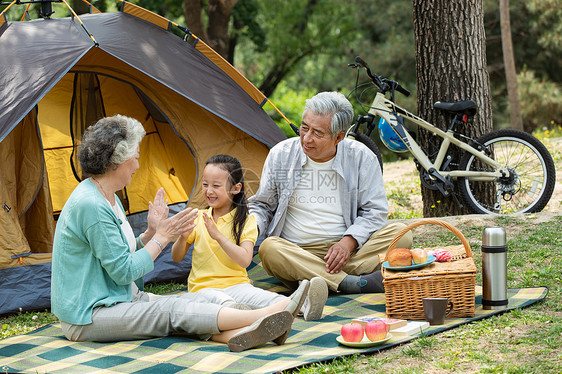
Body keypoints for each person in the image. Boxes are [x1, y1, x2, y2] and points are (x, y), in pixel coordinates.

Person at [50, 115, 308, 352]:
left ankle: (243, 333)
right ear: (119, 160)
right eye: (136, 157)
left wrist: (150, 232)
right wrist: (162, 237)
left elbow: (117, 254)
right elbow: (123, 271)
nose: (138, 165)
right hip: (90, 314)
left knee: (189, 302)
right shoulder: (91, 205)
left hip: (119, 297)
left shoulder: (108, 197)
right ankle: (269, 313)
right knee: (172, 311)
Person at [248, 92, 413, 295]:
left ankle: (316, 280)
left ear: (338, 137)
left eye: (317, 133)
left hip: (350, 251)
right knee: (270, 249)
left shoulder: (361, 157)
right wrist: (250, 227)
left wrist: (348, 242)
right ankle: (352, 282)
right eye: (304, 127)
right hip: (296, 252)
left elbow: (375, 211)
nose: (306, 138)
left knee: (401, 234)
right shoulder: (281, 154)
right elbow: (262, 205)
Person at [171, 154, 328, 323]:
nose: (209, 191)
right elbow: (176, 257)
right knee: (222, 302)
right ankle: (239, 314)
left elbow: (245, 260)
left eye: (216, 186)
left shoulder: (246, 221)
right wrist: (182, 238)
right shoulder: (198, 217)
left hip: (237, 286)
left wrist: (218, 236)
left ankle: (305, 305)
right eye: (205, 184)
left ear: (236, 188)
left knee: (268, 299)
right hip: (203, 289)